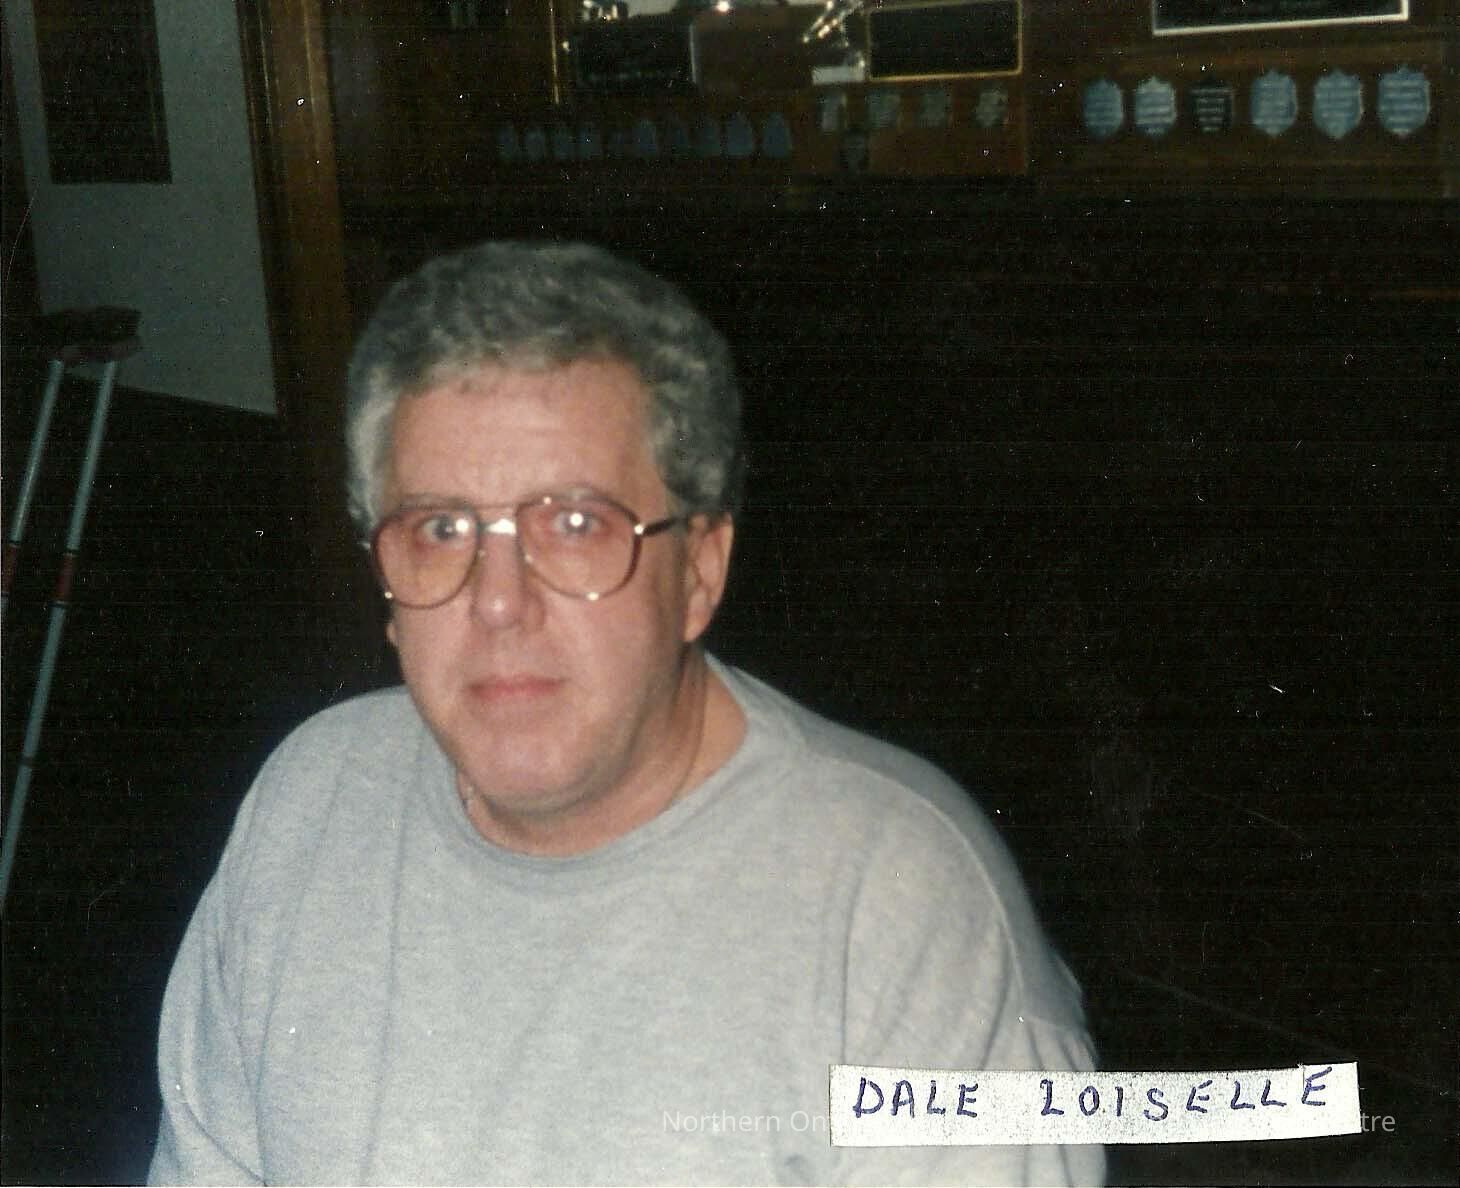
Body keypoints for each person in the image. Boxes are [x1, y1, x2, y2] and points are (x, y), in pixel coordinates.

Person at [149, 241, 1104, 1185]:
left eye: (574, 525)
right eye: (439, 529)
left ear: (699, 571)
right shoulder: (310, 803)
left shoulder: (902, 906)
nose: (498, 601)